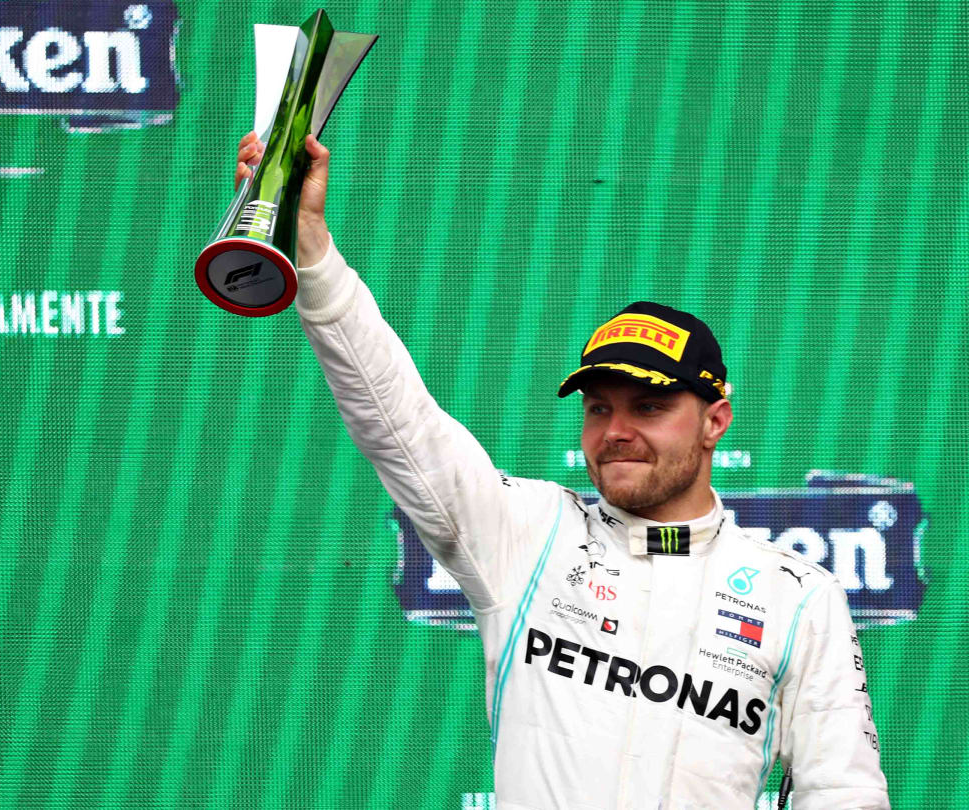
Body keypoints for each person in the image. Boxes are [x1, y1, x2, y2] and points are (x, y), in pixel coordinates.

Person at [236, 133, 890, 809]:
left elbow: (844, 792)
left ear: (715, 422)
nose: (617, 432)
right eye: (600, 408)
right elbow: (397, 419)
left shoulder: (800, 599)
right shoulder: (526, 533)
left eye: (651, 406)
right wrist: (310, 247)